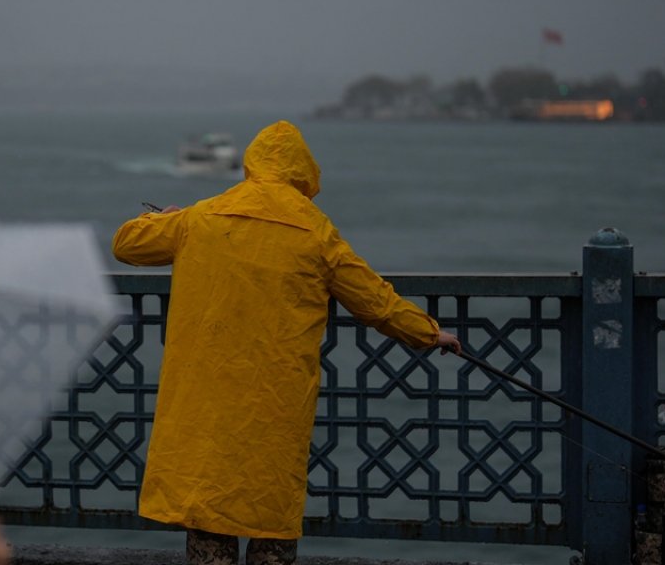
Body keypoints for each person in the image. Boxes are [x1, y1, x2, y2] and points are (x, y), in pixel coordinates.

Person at [112, 120, 461, 565]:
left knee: (209, 508)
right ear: (304, 173)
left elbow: (126, 244)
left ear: (251, 165)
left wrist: (163, 219)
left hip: (206, 398)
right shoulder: (315, 232)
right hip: (273, 402)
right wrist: (429, 332)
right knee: (269, 512)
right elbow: (376, 301)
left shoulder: (200, 217)